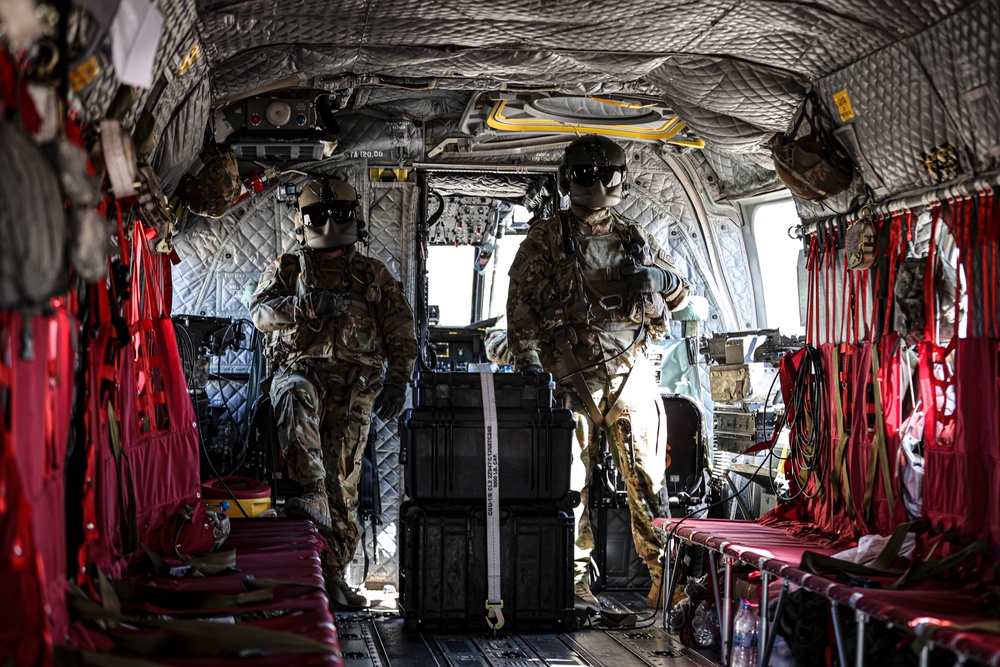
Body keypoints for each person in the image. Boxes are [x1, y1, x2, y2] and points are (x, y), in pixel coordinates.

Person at [506, 135, 689, 613]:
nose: (598, 183)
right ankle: (573, 583)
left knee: (649, 482)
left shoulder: (634, 236)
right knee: (569, 485)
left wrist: (660, 279)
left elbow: (682, 293)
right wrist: (530, 373)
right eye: (589, 173)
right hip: (569, 376)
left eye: (605, 173)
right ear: (569, 180)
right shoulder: (545, 238)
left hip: (630, 373)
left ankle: (664, 578)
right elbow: (520, 312)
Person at [249, 178, 417, 610]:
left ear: (353, 218)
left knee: (343, 486)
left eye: (338, 214)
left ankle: (331, 575)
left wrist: (399, 379)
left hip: (354, 388)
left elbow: (400, 329)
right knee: (292, 396)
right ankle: (313, 491)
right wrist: (300, 308)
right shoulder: (287, 270)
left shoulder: (371, 275)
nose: (329, 223)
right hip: (300, 372)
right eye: (319, 215)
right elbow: (260, 313)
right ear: (304, 222)